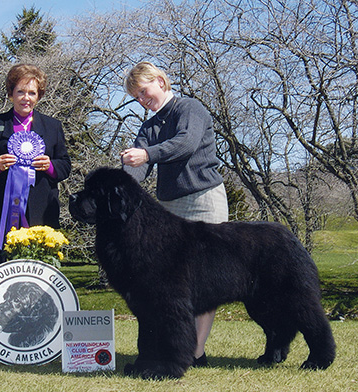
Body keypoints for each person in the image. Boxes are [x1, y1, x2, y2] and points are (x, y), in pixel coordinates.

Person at [121, 61, 228, 367]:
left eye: (144, 91)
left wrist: (147, 154)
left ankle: (196, 352)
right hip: (170, 210)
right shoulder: (149, 127)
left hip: (205, 200)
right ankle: (177, 349)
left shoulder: (189, 109)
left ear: (160, 81)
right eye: (137, 97)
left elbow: (185, 144)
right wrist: (122, 185)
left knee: (207, 281)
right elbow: (137, 168)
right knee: (170, 284)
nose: (142, 100)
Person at [0, 64, 71, 268]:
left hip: (42, 214)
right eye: (20, 92)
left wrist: (50, 166)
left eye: (32, 93)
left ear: (39, 96)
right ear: (10, 94)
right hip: (0, 214)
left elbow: (65, 166)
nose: (26, 98)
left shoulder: (53, 126)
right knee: (3, 271)